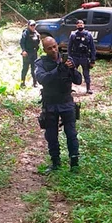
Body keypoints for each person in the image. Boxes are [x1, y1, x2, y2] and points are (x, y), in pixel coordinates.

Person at [35, 36, 82, 173]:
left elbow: (78, 81)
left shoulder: (66, 60)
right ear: (44, 50)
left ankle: (74, 163)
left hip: (66, 102)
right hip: (50, 103)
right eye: (49, 48)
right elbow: (42, 79)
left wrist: (72, 69)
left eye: (55, 46)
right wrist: (58, 69)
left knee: (71, 134)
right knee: (51, 135)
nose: (53, 50)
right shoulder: (41, 63)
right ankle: (55, 162)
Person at [68, 20, 96, 94]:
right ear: (76, 26)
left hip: (85, 57)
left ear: (84, 25)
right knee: (71, 72)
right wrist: (69, 58)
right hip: (75, 57)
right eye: (78, 24)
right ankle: (68, 88)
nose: (80, 25)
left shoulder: (88, 35)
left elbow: (93, 48)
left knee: (86, 73)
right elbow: (69, 47)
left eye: (81, 24)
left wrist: (93, 60)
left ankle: (88, 88)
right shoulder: (73, 35)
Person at [20, 20, 41, 88]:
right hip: (27, 53)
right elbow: (22, 42)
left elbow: (38, 42)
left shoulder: (36, 33)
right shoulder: (25, 33)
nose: (33, 27)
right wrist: (23, 50)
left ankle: (35, 82)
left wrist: (37, 50)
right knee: (25, 68)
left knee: (34, 69)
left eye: (34, 25)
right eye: (31, 25)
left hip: (34, 53)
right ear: (28, 26)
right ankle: (22, 83)